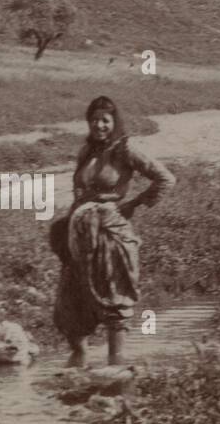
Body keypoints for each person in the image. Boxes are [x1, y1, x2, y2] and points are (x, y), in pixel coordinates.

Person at [52, 95, 175, 369]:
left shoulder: (126, 149)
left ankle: (115, 367)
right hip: (80, 235)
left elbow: (165, 178)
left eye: (105, 120)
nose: (99, 126)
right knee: (71, 298)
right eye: (94, 120)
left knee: (114, 298)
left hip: (110, 234)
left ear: (114, 121)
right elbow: (79, 191)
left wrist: (134, 204)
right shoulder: (87, 151)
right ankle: (77, 362)